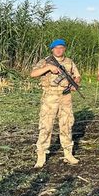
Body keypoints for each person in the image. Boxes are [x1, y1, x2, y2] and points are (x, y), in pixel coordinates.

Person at [30, 39, 81, 168]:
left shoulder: (69, 62)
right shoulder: (45, 61)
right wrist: (48, 67)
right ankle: (41, 155)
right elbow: (33, 74)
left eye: (61, 47)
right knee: (46, 125)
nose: (59, 50)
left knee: (67, 124)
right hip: (50, 97)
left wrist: (75, 83)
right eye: (56, 48)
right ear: (52, 49)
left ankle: (68, 153)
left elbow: (77, 76)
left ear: (64, 49)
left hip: (65, 96)